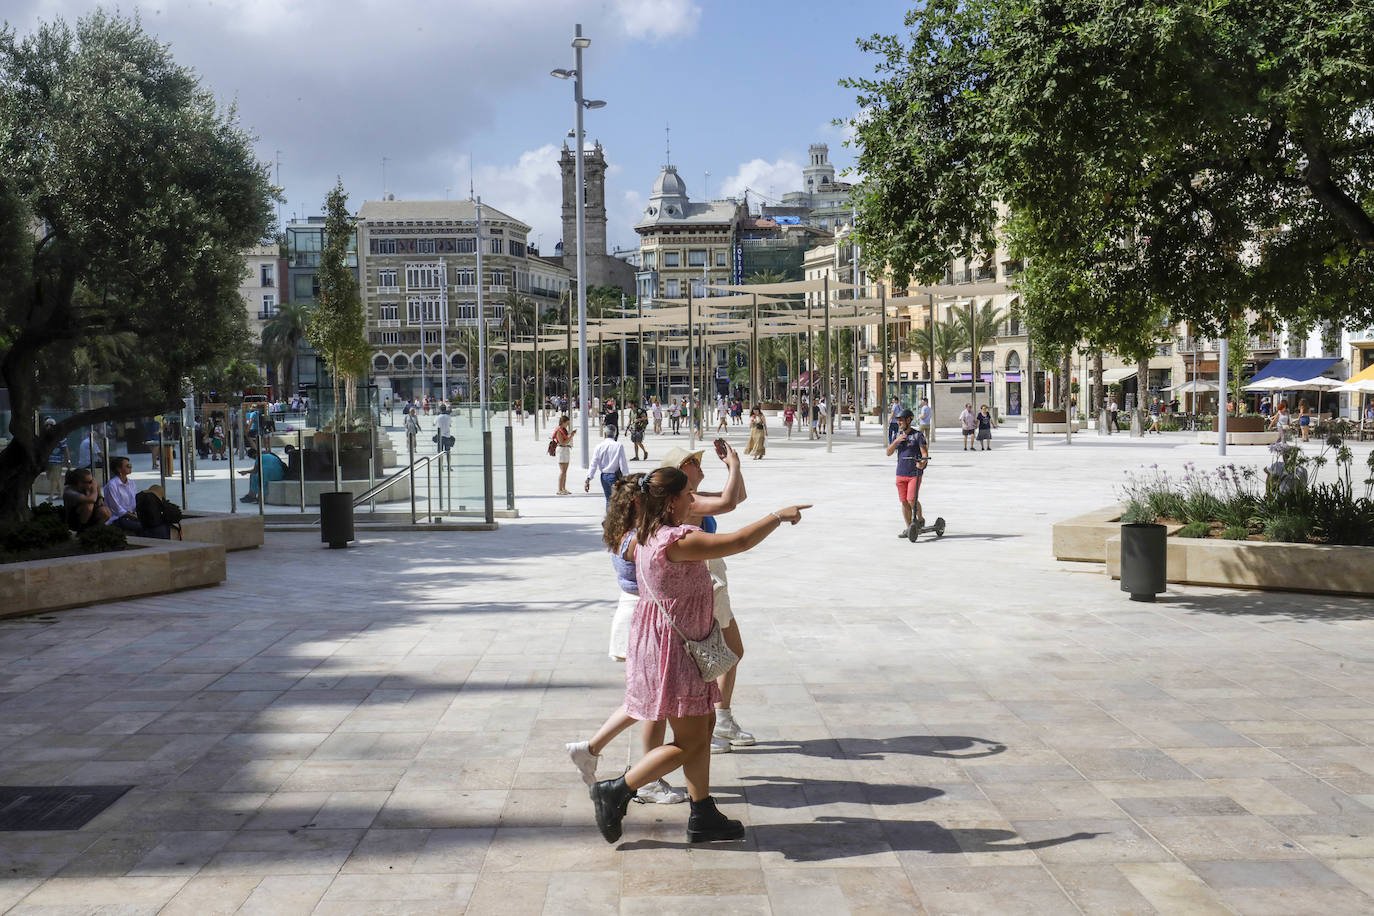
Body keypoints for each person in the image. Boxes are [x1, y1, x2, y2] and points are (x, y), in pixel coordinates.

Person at [586, 465, 808, 845]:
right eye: (688, 494)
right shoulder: (675, 541)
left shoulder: (646, 534)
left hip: (672, 643)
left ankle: (702, 811)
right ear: (671, 501)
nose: (694, 500)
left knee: (702, 730)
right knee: (689, 739)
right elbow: (738, 542)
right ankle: (618, 788)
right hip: (677, 651)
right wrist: (776, 516)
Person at [567, 474, 689, 806]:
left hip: (638, 614)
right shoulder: (637, 539)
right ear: (639, 503)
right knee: (651, 704)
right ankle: (643, 779)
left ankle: (591, 750)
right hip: (644, 617)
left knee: (645, 700)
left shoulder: (627, 531)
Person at [661, 444, 751, 755]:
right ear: (679, 471)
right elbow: (728, 503)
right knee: (723, 652)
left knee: (727, 650)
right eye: (692, 462)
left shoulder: (691, 498)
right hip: (705, 574)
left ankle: (720, 719)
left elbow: (737, 498)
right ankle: (716, 721)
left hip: (710, 571)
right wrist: (735, 465)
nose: (699, 466)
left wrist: (732, 468)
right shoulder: (690, 502)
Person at [885, 408, 929, 540]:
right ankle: (909, 527)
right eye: (898, 421)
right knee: (904, 502)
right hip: (901, 473)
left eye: (901, 420)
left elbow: (925, 453)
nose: (899, 423)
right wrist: (896, 441)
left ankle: (920, 519)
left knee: (912, 500)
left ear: (909, 420)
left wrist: (922, 463)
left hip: (914, 473)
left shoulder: (918, 435)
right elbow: (888, 452)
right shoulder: (897, 436)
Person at [103, 456, 146, 535]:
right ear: (119, 469)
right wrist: (134, 517)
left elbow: (135, 502)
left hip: (130, 516)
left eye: (130, 465)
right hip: (117, 519)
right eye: (127, 466)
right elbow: (117, 510)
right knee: (142, 527)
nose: (130, 467)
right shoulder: (111, 485)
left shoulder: (131, 483)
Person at [586, 428, 629, 502]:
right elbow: (623, 463)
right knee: (617, 500)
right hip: (614, 476)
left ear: (604, 434)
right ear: (614, 435)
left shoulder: (599, 446)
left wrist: (588, 479)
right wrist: (627, 478)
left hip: (604, 476)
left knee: (608, 500)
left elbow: (594, 463)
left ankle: (609, 513)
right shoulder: (618, 446)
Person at [63, 467, 110, 532]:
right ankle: (82, 530)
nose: (92, 483)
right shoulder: (69, 492)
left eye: (92, 481)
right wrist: (94, 488)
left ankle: (96, 529)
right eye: (90, 482)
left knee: (105, 512)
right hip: (75, 520)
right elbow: (92, 499)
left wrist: (100, 498)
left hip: (89, 516)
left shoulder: (86, 487)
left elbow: (97, 485)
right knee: (88, 505)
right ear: (79, 483)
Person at [43, 418, 70, 503]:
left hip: (57, 462)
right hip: (48, 461)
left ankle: (51, 496)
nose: (49, 427)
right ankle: (61, 494)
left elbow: (66, 449)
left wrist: (68, 461)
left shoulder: (60, 436)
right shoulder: (45, 437)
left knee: (54, 478)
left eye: (51, 425)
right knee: (54, 478)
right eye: (47, 425)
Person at [553, 415, 575, 495]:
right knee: (562, 471)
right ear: (563, 422)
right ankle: (559, 489)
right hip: (562, 450)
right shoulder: (559, 430)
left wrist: (570, 436)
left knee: (565, 471)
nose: (567, 425)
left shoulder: (563, 430)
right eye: (567, 423)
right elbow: (562, 442)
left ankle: (563, 488)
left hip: (566, 449)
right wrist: (571, 436)